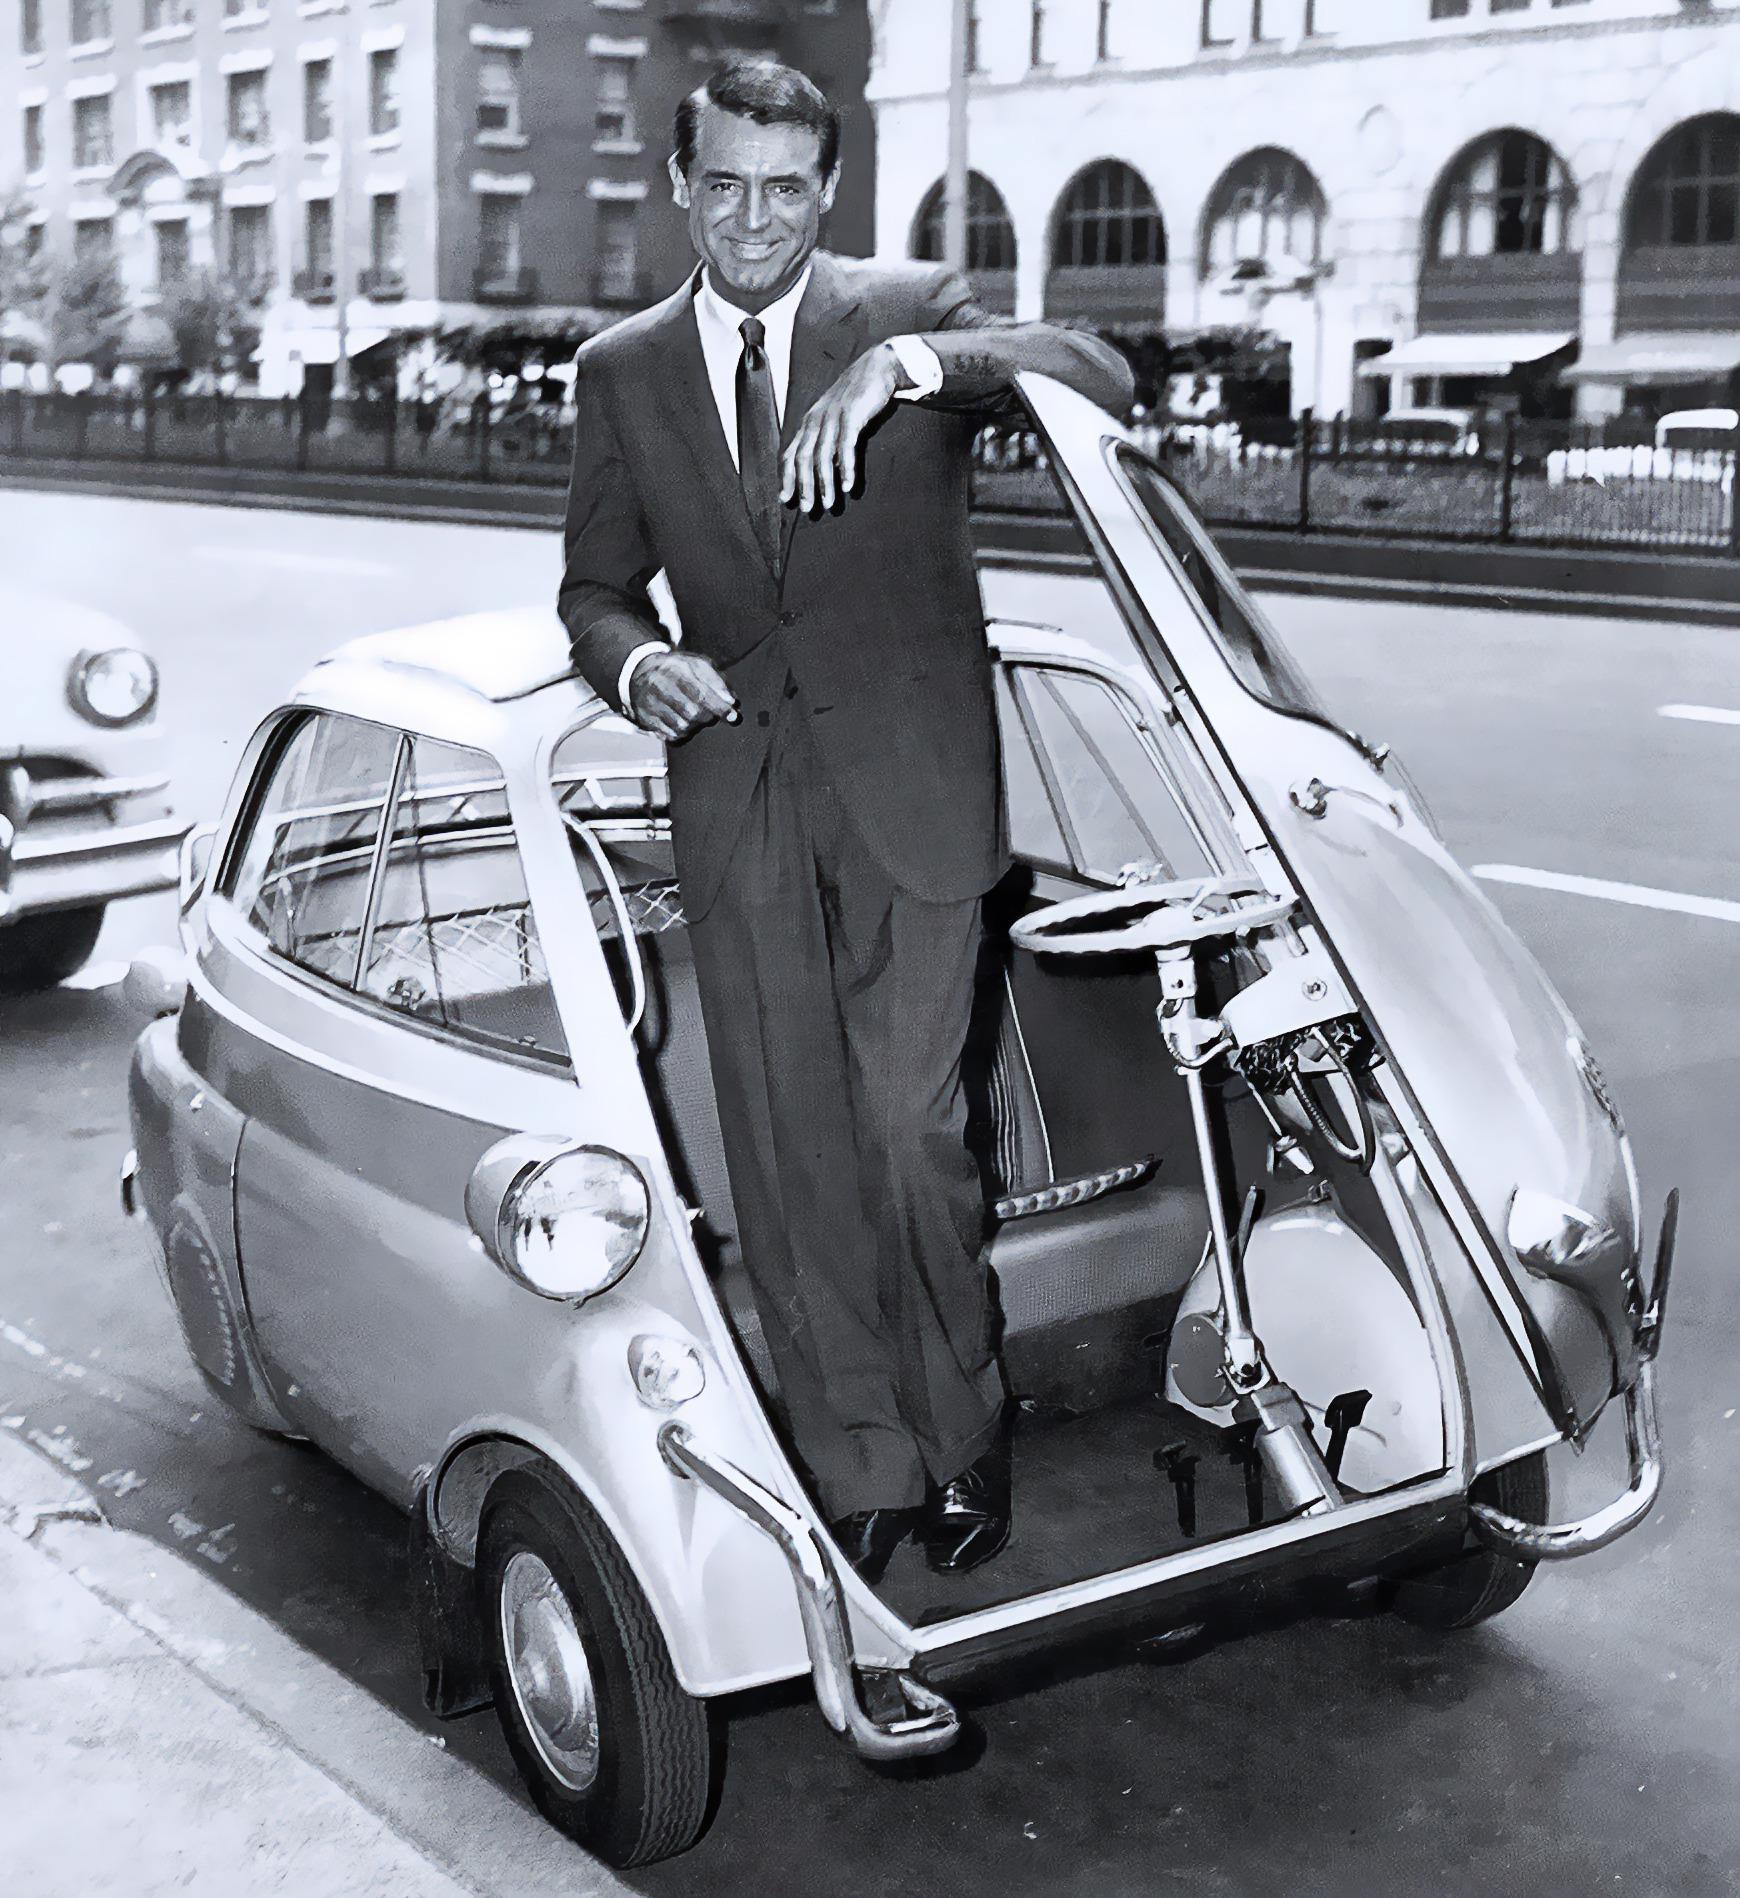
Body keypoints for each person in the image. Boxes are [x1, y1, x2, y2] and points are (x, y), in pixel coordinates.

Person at [557, 60, 1132, 1583]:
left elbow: (1097, 368)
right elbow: (592, 589)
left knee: (908, 1128)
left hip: (917, 793)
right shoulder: (621, 371)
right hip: (736, 788)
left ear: (827, 193)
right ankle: (860, 1461)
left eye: (787, 188)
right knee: (788, 1137)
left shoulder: (910, 307)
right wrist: (635, 661)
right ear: (682, 186)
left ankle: (961, 1436)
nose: (755, 219)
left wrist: (911, 374)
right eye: (725, 185)